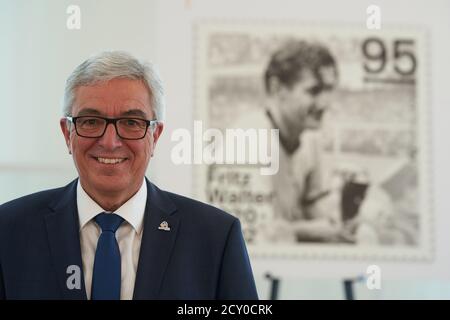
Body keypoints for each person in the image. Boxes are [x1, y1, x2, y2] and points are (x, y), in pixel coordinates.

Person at [0, 51, 258, 300]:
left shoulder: (215, 237)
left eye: (131, 123)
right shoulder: (8, 230)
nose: (110, 142)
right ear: (68, 134)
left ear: (154, 136)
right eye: (91, 121)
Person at [230, 40, 345, 243]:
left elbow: (315, 207)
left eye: (328, 91)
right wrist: (316, 230)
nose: (325, 103)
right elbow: (257, 233)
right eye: (314, 91)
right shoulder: (248, 136)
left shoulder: (310, 136)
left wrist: (338, 220)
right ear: (277, 88)